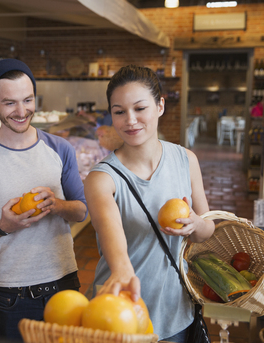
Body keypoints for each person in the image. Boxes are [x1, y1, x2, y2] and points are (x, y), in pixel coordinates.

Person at [84, 65, 215, 342]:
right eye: (119, 111)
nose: (130, 120)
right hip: (119, 314)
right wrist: (122, 269)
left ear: (160, 106)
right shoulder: (101, 178)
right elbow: (114, 244)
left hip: (175, 311)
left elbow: (209, 230)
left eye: (140, 108)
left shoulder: (186, 160)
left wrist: (196, 223)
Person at [0, 58, 88, 341]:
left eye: (28, 100)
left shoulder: (60, 149)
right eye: (10, 103)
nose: (21, 111)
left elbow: (80, 211)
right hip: (10, 294)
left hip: (64, 285)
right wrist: (3, 226)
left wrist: (57, 204)